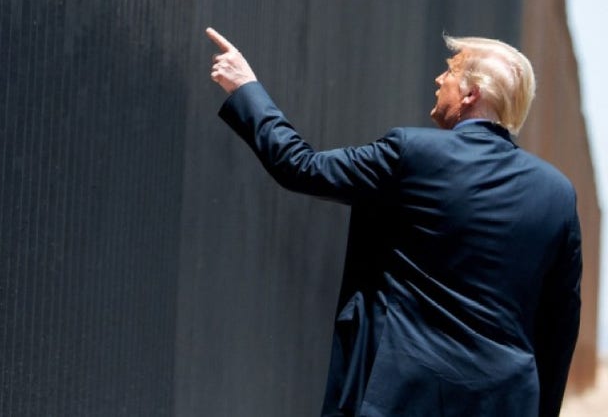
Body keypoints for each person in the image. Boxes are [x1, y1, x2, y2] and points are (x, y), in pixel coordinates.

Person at [205, 27, 582, 417]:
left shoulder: (413, 153)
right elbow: (560, 325)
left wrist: (246, 87)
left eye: (451, 71)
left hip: (403, 395)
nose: (440, 79)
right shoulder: (558, 195)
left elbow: (302, 167)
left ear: (471, 95)